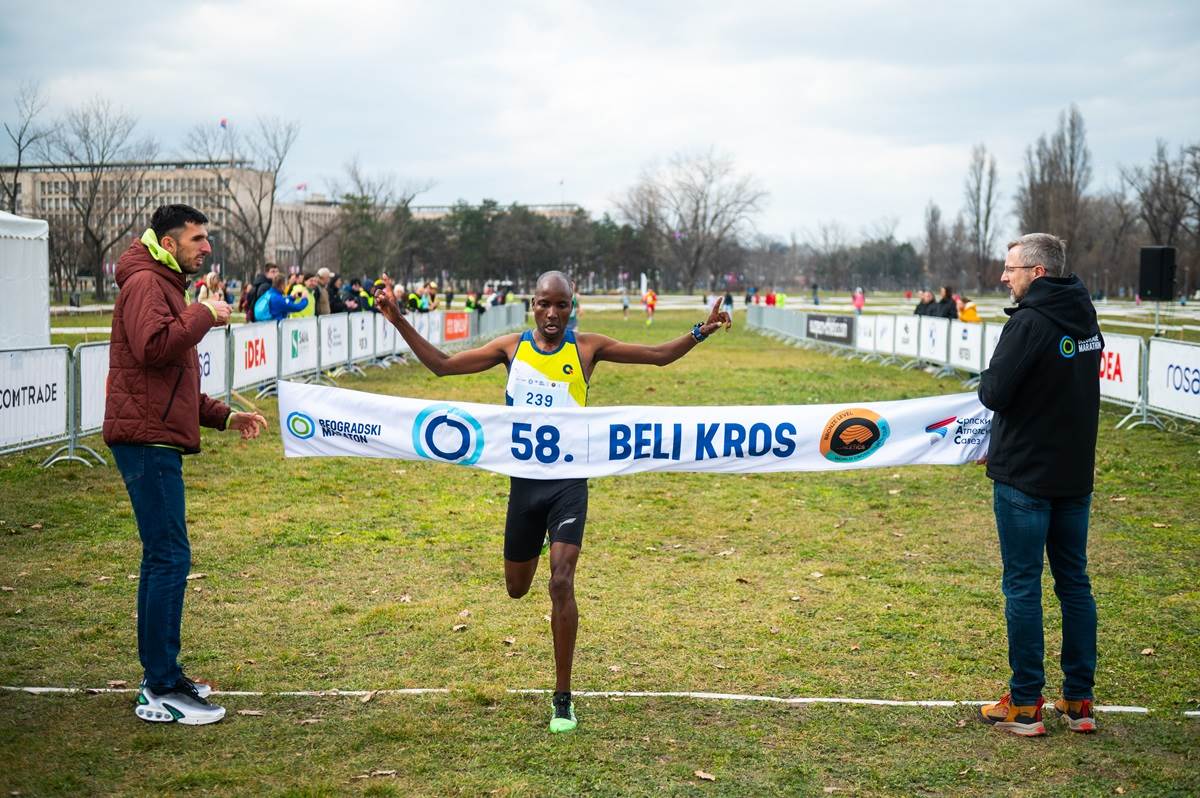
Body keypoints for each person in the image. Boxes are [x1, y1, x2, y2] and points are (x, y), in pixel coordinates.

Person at [374, 271, 730, 734]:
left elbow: (659, 357)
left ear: (571, 306)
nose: (552, 314)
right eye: (544, 304)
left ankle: (563, 697)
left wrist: (701, 330)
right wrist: (398, 320)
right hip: (525, 488)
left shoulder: (586, 349)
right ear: (533, 305)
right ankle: (538, 544)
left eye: (561, 305)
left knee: (561, 583)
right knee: (517, 588)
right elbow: (442, 365)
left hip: (568, 484)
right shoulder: (510, 349)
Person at [104, 204, 267, 726]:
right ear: (168, 243)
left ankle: (163, 674)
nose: (207, 247)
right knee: (169, 557)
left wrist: (225, 417)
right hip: (145, 442)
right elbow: (153, 349)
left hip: (156, 437)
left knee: (165, 556)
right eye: (198, 238)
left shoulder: (163, 283)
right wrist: (204, 316)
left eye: (207, 238)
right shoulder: (148, 285)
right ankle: (160, 685)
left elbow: (174, 383)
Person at [977, 233, 1103, 737]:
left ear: (1038, 273)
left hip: (1026, 478)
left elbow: (993, 391)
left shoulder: (1028, 322)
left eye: (1012, 268)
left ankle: (1026, 703)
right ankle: (1079, 699)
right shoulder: (1085, 316)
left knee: (1024, 585)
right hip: (1074, 476)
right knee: (1074, 583)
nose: (1004, 277)